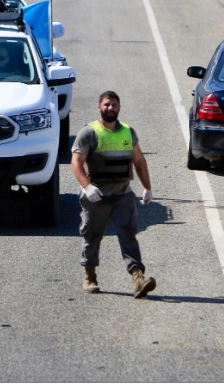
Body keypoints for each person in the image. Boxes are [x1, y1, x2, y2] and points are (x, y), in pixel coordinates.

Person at [70, 90, 156, 298]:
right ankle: (90, 275)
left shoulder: (128, 132)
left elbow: (139, 162)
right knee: (92, 236)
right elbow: (76, 162)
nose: (111, 108)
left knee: (128, 235)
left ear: (119, 107)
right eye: (107, 104)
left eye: (114, 105)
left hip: (122, 195)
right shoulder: (89, 133)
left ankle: (138, 278)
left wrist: (147, 188)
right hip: (97, 196)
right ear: (99, 107)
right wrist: (87, 187)